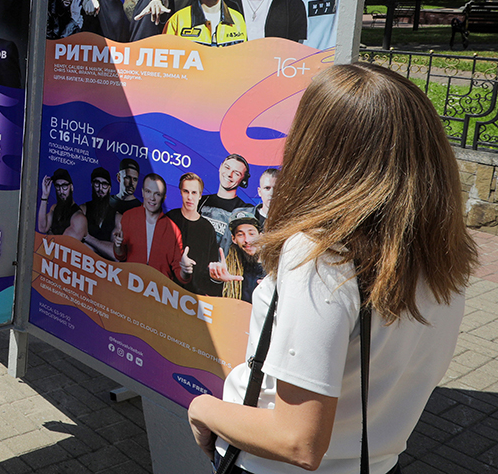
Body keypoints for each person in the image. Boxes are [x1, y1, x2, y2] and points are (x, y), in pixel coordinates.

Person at [188, 63, 476, 473]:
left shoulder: (321, 254)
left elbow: (298, 442)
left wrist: (202, 409)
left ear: (318, 147)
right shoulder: (442, 248)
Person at [112, 174, 194, 285]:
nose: (152, 198)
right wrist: (117, 246)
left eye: (157, 194)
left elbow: (180, 275)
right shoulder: (129, 216)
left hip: (158, 292)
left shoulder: (173, 230)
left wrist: (185, 271)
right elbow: (121, 256)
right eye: (148, 192)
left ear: (164, 198)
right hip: (130, 285)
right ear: (142, 192)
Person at [165, 173, 223, 297]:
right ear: (180, 192)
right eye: (186, 191)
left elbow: (209, 266)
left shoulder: (208, 229)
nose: (190, 197)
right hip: (166, 290)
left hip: (194, 297)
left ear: (200, 195)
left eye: (194, 193)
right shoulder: (169, 219)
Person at [199, 153, 253, 255]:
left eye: (236, 173)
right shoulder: (201, 201)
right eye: (227, 167)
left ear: (243, 180)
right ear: (220, 167)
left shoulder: (246, 210)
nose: (229, 174)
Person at [208, 216, 265, 303]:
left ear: (260, 236)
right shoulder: (229, 268)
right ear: (233, 239)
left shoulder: (273, 269)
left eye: (251, 234)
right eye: (240, 235)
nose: (247, 240)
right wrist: (216, 280)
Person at [64, 166, 117, 259]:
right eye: (97, 183)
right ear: (92, 185)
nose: (100, 188)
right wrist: (102, 248)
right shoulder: (82, 210)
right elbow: (68, 245)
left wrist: (87, 237)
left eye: (104, 184)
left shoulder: (117, 217)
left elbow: (116, 255)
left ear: (109, 188)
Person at [37, 168, 80, 235]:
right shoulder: (55, 208)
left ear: (71, 187)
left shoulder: (78, 216)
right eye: (58, 186)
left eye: (64, 186)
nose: (61, 191)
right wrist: (45, 196)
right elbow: (42, 228)